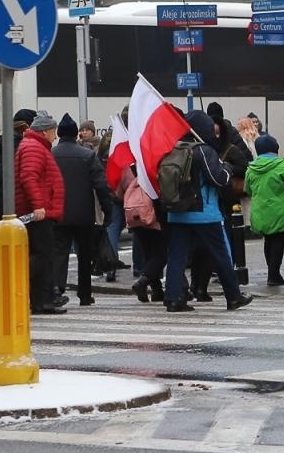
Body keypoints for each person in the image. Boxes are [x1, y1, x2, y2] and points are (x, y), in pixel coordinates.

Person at [162, 110, 252, 313]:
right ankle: (234, 296)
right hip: (204, 212)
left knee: (176, 256)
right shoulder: (203, 150)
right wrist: (227, 168)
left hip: (176, 211)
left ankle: (174, 298)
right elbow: (218, 178)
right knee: (220, 253)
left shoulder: (173, 148)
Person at [53, 113, 114, 307]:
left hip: (59, 212)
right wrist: (107, 210)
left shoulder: (51, 154)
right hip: (83, 214)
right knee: (84, 254)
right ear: (75, 134)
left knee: (60, 252)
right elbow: (101, 185)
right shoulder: (87, 155)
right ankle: (85, 294)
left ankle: (57, 288)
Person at [18, 112, 67, 315]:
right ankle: (41, 300)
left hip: (40, 211)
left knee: (43, 256)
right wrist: (39, 206)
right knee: (42, 256)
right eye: (54, 132)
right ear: (45, 130)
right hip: (38, 213)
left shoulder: (34, 146)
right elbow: (29, 177)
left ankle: (42, 299)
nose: (55, 136)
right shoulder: (34, 147)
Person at [244, 134, 284, 286]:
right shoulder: (281, 165)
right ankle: (274, 274)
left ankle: (272, 272)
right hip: (280, 211)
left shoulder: (251, 168)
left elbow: (248, 189)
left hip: (260, 212)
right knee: (278, 241)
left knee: (268, 240)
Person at [120, 164, 166, 303]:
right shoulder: (153, 164)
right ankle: (143, 281)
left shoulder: (127, 168)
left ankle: (157, 291)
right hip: (154, 215)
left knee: (148, 254)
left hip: (135, 215)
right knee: (162, 253)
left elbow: (120, 190)